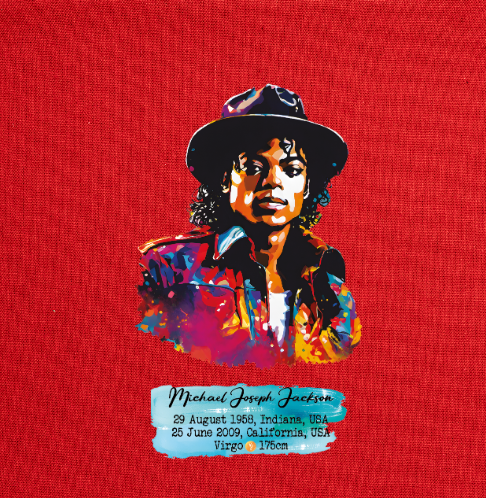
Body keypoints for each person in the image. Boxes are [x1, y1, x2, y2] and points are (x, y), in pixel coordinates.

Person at [137, 84, 360, 366]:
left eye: (292, 170)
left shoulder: (327, 275)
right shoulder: (165, 268)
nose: (274, 181)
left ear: (306, 186)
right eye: (254, 167)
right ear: (224, 179)